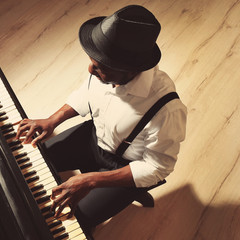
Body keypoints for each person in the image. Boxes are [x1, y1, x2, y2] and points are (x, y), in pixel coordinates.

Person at [15, 5, 187, 229]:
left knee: (72, 221)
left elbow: (158, 167)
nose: (90, 70)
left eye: (99, 66)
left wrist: (91, 180)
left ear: (131, 69)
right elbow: (86, 93)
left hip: (125, 165)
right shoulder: (106, 72)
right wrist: (53, 119)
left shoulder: (167, 109)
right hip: (93, 137)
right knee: (28, 162)